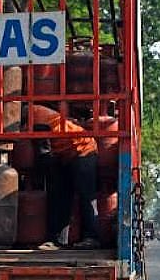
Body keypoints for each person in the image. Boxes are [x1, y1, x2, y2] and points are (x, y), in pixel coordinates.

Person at [23, 104, 101, 251]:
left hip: (83, 149)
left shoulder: (37, 117)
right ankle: (57, 241)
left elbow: (44, 154)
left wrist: (36, 176)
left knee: (85, 194)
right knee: (60, 196)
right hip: (65, 153)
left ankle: (92, 238)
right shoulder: (36, 112)